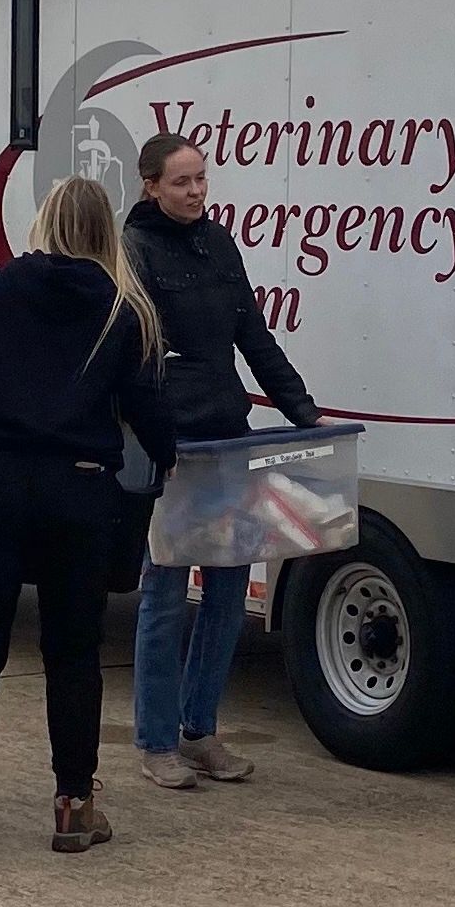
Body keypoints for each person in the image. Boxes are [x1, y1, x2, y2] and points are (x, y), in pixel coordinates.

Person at [0, 177, 179, 857]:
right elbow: (149, 415)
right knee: (72, 652)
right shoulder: (125, 309)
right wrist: (168, 457)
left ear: (42, 224)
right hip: (78, 489)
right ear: (103, 234)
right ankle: (73, 803)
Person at [122, 131, 322, 790]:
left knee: (229, 590)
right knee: (165, 592)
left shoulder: (219, 243)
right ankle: (155, 741)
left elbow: (253, 335)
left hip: (226, 430)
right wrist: (159, 439)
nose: (196, 191)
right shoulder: (136, 248)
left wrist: (302, 411)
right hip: (176, 444)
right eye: (181, 182)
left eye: (201, 179)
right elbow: (140, 353)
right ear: (150, 185)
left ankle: (200, 729)